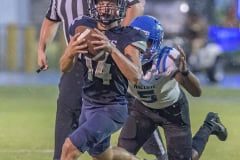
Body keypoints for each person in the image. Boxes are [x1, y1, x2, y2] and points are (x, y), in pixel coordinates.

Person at [37, 0, 146, 160]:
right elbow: (64, 67)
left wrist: (112, 50)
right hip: (88, 106)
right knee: (104, 156)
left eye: (111, 3)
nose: (105, 8)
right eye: (101, 3)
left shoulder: (129, 35)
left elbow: (136, 76)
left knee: (69, 147)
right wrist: (70, 53)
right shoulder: (83, 26)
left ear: (121, 6)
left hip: (111, 108)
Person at [117, 15, 228, 160]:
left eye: (147, 42)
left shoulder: (167, 59)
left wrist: (185, 72)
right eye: (136, 40)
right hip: (142, 108)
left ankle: (209, 125)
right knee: (119, 155)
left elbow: (196, 92)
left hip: (172, 111)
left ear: (157, 43)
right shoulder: (120, 55)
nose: (141, 47)